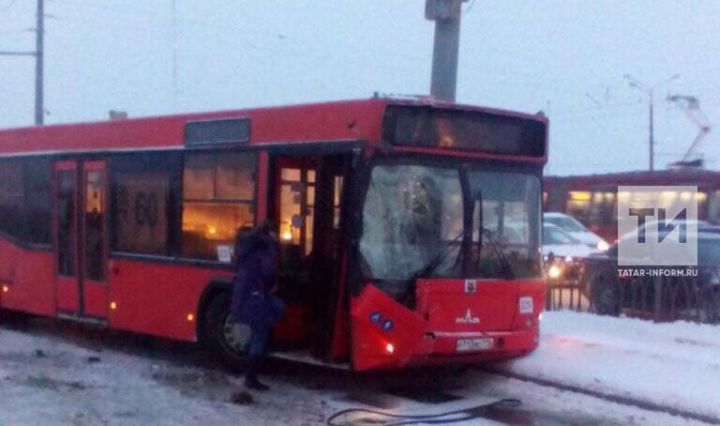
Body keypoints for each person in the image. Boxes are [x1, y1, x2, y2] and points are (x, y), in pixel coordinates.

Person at [231, 220, 286, 391]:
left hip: (243, 295)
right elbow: (268, 272)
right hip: (257, 296)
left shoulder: (244, 247)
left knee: (258, 331)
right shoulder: (264, 248)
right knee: (262, 328)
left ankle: (250, 370)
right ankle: (251, 376)